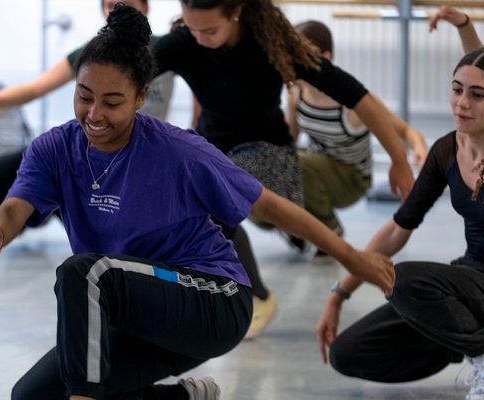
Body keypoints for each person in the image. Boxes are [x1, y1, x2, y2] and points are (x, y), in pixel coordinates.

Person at [0, 5, 395, 399]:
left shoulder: (180, 152)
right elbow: (15, 207)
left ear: (140, 97)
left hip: (213, 302)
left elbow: (269, 206)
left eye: (113, 101)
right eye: (84, 96)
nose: (95, 113)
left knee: (84, 273)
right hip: (137, 316)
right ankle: (185, 397)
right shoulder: (55, 149)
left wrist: (352, 257)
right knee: (31, 396)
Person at [150, 0, 416, 338]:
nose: (200, 38)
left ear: (236, 13)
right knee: (193, 208)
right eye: (193, 29)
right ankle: (251, 294)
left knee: (217, 195)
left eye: (210, 30)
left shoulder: (271, 43)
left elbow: (358, 96)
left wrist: (399, 159)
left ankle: (255, 293)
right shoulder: (184, 42)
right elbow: (127, 73)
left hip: (269, 152)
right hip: (212, 149)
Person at [315, 47, 484, 400]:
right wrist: (339, 295)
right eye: (457, 89)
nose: (462, 103)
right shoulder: (447, 150)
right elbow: (395, 230)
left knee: (401, 279)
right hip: (473, 282)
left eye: (477, 94)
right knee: (349, 354)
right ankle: (467, 342)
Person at [0, 0, 176, 214]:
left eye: (128, 3)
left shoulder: (166, 49)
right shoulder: (93, 54)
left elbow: (200, 84)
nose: (119, 10)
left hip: (140, 156)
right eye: (111, 5)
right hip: (93, 151)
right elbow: (35, 88)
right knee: (0, 173)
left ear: (146, 7)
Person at [287, 20, 429, 262]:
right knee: (267, 166)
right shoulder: (295, 91)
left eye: (297, 59)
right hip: (314, 170)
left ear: (326, 58)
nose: (291, 67)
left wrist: (419, 152)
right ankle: (295, 229)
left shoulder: (352, 102)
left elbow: (406, 131)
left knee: (298, 164)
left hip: (351, 178)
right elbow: (288, 138)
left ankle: (331, 232)